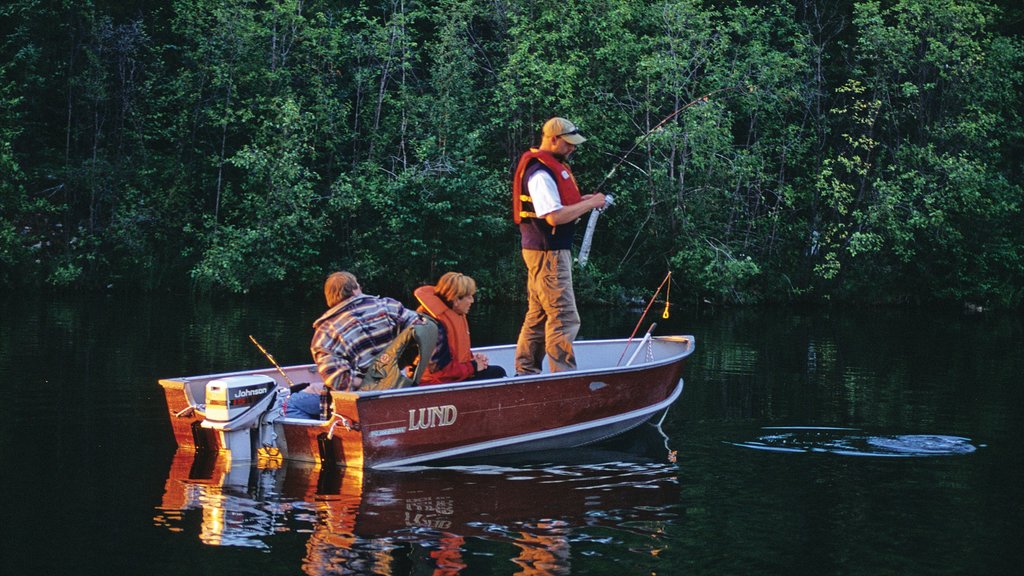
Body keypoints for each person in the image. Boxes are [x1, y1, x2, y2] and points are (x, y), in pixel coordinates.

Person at [512, 117, 607, 375]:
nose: (572, 148)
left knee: (539, 315)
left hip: (542, 251)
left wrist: (585, 200)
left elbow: (559, 207)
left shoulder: (547, 168)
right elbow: (553, 216)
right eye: (568, 143)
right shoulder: (541, 172)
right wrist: (590, 204)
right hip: (548, 253)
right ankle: (562, 377)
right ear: (553, 139)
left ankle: (526, 371)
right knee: (564, 318)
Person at [287, 271, 420, 417]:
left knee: (291, 403)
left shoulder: (324, 333)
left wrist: (371, 384)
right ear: (355, 289)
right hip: (398, 386)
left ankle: (327, 437)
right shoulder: (387, 306)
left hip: (362, 401)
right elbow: (421, 329)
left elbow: (338, 382)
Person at [414, 272, 506, 383]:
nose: (472, 301)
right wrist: (473, 366)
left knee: (496, 371)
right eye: (469, 297)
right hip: (433, 383)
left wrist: (473, 359)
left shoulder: (453, 314)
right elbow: (441, 370)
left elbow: (453, 354)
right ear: (456, 300)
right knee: (498, 373)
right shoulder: (434, 326)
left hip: (447, 377)